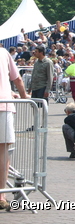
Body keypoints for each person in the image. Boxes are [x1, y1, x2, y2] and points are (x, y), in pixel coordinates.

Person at [0, 47, 28, 211]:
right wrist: (25, 98)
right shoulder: (3, 53)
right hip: (3, 107)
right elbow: (17, 79)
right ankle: (1, 195)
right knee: (3, 152)